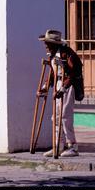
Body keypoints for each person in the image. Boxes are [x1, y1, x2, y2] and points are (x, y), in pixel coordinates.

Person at [38, 29, 82, 157]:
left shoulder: (67, 54)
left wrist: (63, 88)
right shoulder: (52, 54)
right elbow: (53, 72)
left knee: (65, 116)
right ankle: (58, 145)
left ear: (55, 43)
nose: (45, 45)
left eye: (48, 42)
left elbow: (74, 73)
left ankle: (73, 146)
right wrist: (46, 86)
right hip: (59, 85)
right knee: (55, 117)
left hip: (68, 86)